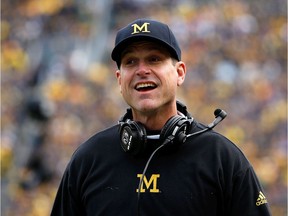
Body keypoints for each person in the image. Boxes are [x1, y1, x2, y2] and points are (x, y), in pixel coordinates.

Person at [51, 18, 271, 216]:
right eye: (130, 62)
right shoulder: (89, 159)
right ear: (119, 79)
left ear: (180, 73)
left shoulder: (222, 159)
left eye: (154, 59)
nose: (142, 70)